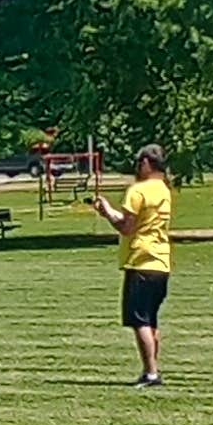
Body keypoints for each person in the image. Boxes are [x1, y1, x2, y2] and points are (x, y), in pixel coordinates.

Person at [91, 143, 174, 383]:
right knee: (151, 319)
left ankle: (151, 372)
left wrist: (107, 213)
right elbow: (136, 222)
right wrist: (109, 212)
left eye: (139, 163)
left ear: (147, 163)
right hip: (161, 262)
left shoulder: (138, 191)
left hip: (140, 260)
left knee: (139, 320)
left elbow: (127, 228)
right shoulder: (164, 190)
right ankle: (152, 367)